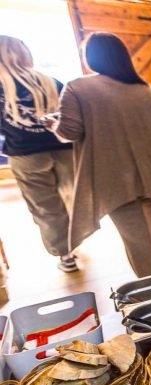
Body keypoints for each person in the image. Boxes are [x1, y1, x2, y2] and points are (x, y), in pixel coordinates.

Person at [50, 32, 151, 278]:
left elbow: (69, 132)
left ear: (91, 58)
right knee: (148, 245)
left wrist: (54, 124)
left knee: (143, 254)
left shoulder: (78, 87)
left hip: (117, 181)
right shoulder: (149, 92)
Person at [0, 36, 78, 272]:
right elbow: (71, 116)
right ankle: (77, 240)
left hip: (26, 153)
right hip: (64, 149)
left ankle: (65, 254)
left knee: (45, 206)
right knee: (71, 198)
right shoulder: (51, 82)